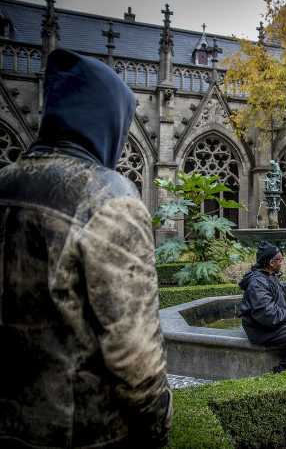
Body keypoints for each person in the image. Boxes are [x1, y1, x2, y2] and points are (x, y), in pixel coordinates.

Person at [0, 49, 172, 448]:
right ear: (108, 121)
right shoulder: (109, 198)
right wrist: (159, 427)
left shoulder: (6, 180)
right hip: (82, 432)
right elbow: (136, 359)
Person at [238, 242, 286, 370]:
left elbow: (280, 293)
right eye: (280, 259)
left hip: (269, 326)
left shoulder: (268, 275)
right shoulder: (257, 282)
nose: (282, 262)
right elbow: (266, 312)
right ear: (271, 262)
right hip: (261, 330)